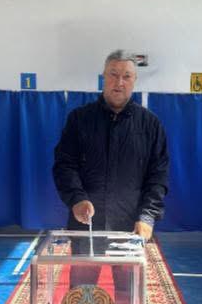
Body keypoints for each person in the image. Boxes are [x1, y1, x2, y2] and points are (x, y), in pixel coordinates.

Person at [53, 49, 169, 245]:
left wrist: (147, 216)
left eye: (127, 76)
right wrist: (77, 199)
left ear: (134, 80)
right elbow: (65, 165)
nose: (119, 82)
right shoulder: (80, 119)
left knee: (129, 269)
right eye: (113, 74)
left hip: (132, 227)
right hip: (86, 223)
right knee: (83, 267)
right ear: (103, 77)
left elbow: (158, 175)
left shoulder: (150, 125)